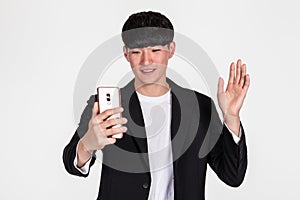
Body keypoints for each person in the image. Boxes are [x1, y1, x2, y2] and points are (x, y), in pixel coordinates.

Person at [63, 11, 250, 200]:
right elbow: (70, 161)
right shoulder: (103, 106)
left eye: (155, 50)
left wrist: (232, 117)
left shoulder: (200, 107)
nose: (146, 61)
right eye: (137, 52)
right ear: (126, 53)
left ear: (171, 49)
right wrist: (88, 144)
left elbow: (233, 176)